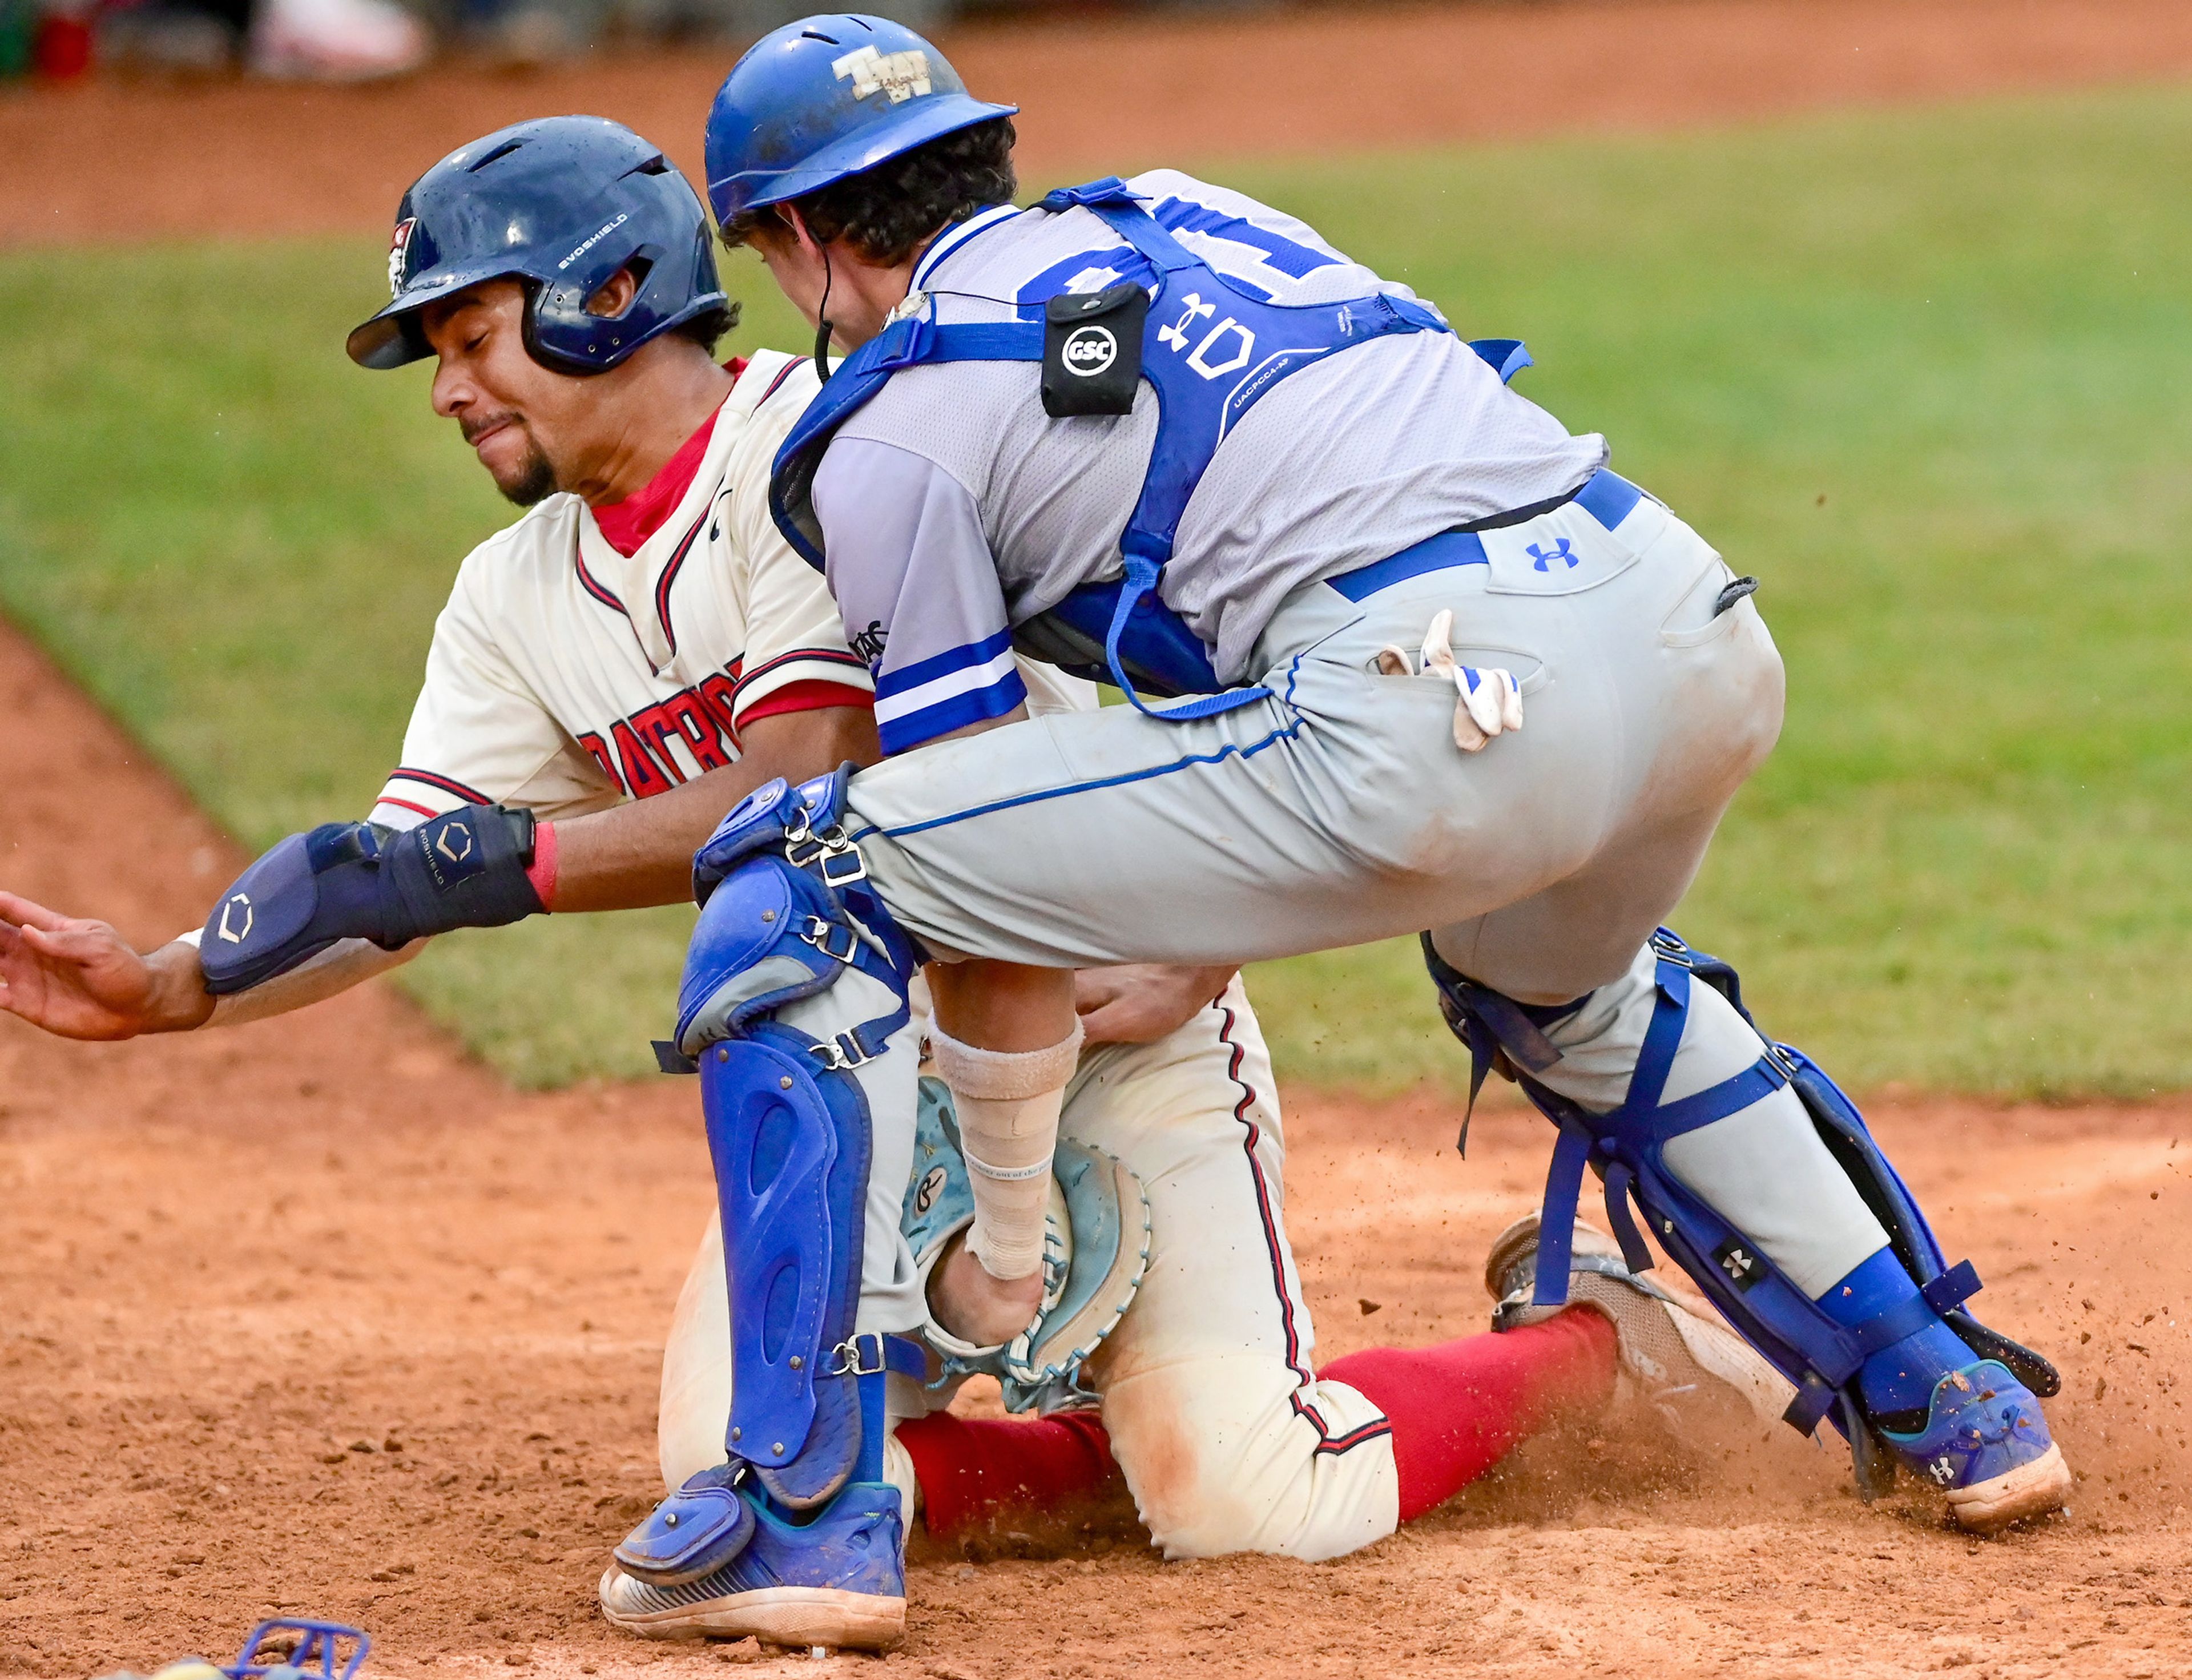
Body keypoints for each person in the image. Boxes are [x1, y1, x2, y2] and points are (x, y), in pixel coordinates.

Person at [0, 114, 1787, 1650]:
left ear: (603, 294)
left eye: (468, 334)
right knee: (738, 1470)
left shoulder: (838, 448)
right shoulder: (514, 601)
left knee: (1259, 1503)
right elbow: (412, 872)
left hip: (1118, 1030)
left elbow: (810, 780)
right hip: (844, 1096)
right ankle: (967, 1455)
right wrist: (181, 984)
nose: (451, 387)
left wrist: (496, 865)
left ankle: (1591, 1355)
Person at [656, 6, 2073, 1634]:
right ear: (985, 150)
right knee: (1558, 987)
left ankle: (800, 1517)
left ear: (801, 237)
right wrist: (1184, 943)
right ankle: (1950, 1395)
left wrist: (1005, 1234)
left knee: (808, 864)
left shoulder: (888, 433)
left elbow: (968, 860)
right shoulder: (1195, 211)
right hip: (1685, 624)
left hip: (1433, 704)